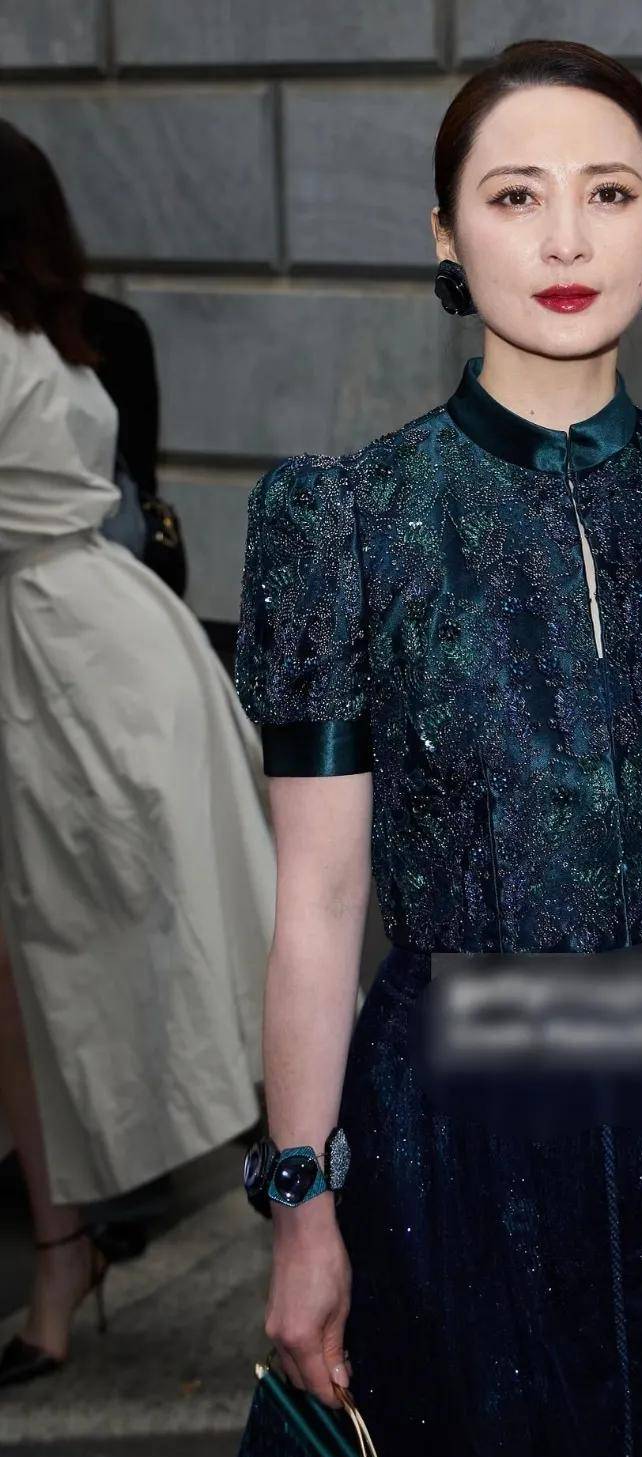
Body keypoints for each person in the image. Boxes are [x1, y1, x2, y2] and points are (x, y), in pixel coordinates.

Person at [232, 39, 642, 1457]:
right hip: (455, 1130)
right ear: (447, 235)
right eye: (515, 196)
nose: (568, 239)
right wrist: (302, 1205)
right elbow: (319, 900)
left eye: (609, 192)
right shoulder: (348, 523)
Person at [0, 119, 276, 1386]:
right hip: (98, 644)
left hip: (68, 668)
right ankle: (67, 1255)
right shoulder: (69, 338)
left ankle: (318, 1219)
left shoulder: (53, 342)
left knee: (169, 949)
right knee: (60, 968)